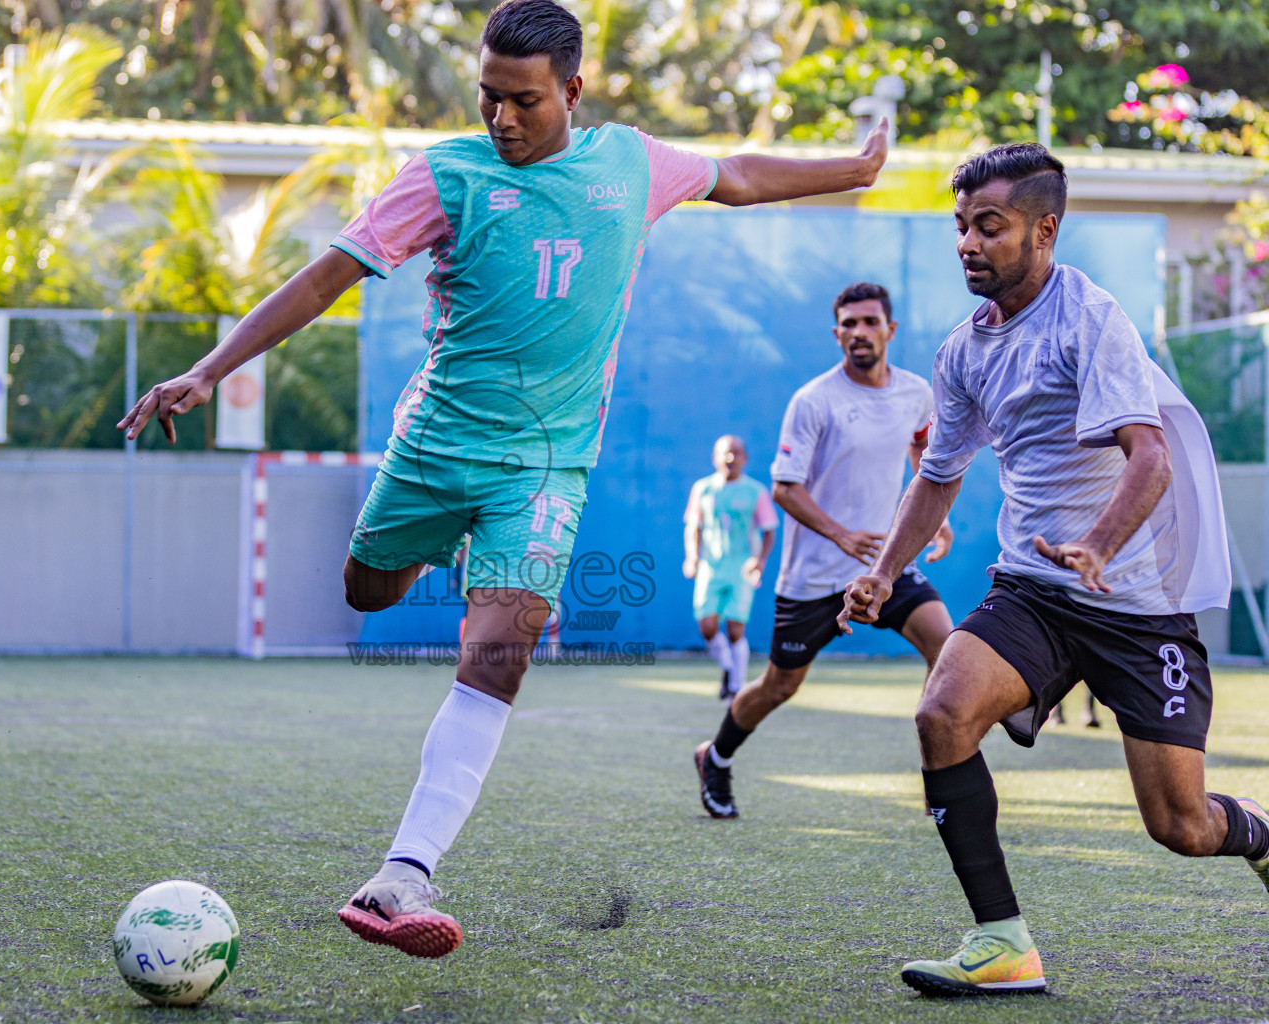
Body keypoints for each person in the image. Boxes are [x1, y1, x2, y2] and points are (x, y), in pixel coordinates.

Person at [118, 0, 891, 960]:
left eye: (522, 100)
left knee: (498, 656)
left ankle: (404, 873)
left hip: (545, 467)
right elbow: (325, 277)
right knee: (367, 591)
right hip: (436, 447)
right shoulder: (443, 176)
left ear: (571, 91)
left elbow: (736, 174)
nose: (501, 119)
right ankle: (434, 545)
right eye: (487, 97)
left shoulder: (631, 164)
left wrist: (851, 170)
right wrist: (211, 367)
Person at [838, 142, 1268, 997]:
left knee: (1181, 825)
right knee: (942, 713)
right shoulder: (964, 350)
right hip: (1033, 589)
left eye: (988, 227)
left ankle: (1262, 838)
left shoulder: (1091, 317)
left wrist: (1100, 547)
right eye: (960, 226)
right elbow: (938, 475)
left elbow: (1149, 458)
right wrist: (886, 571)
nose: (968, 242)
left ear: (1044, 230)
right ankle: (1004, 942)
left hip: (1135, 604)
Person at [693, 282, 954, 819]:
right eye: (849, 324)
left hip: (885, 566)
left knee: (946, 649)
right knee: (779, 685)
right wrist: (840, 534)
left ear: (890, 329)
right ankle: (715, 756)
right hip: (813, 579)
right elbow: (785, 486)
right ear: (837, 334)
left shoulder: (914, 394)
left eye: (869, 322)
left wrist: (938, 519)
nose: (860, 332)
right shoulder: (813, 401)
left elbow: (923, 451)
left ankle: (939, 776)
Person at [683, 435, 779, 703]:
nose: (730, 458)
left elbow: (769, 530)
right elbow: (693, 527)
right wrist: (692, 557)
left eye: (736, 452)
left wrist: (759, 561)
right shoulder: (703, 489)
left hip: (742, 567)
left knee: (736, 630)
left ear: (744, 458)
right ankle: (727, 668)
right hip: (710, 567)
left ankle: (736, 686)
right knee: (707, 627)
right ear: (715, 458)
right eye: (725, 453)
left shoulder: (755, 492)